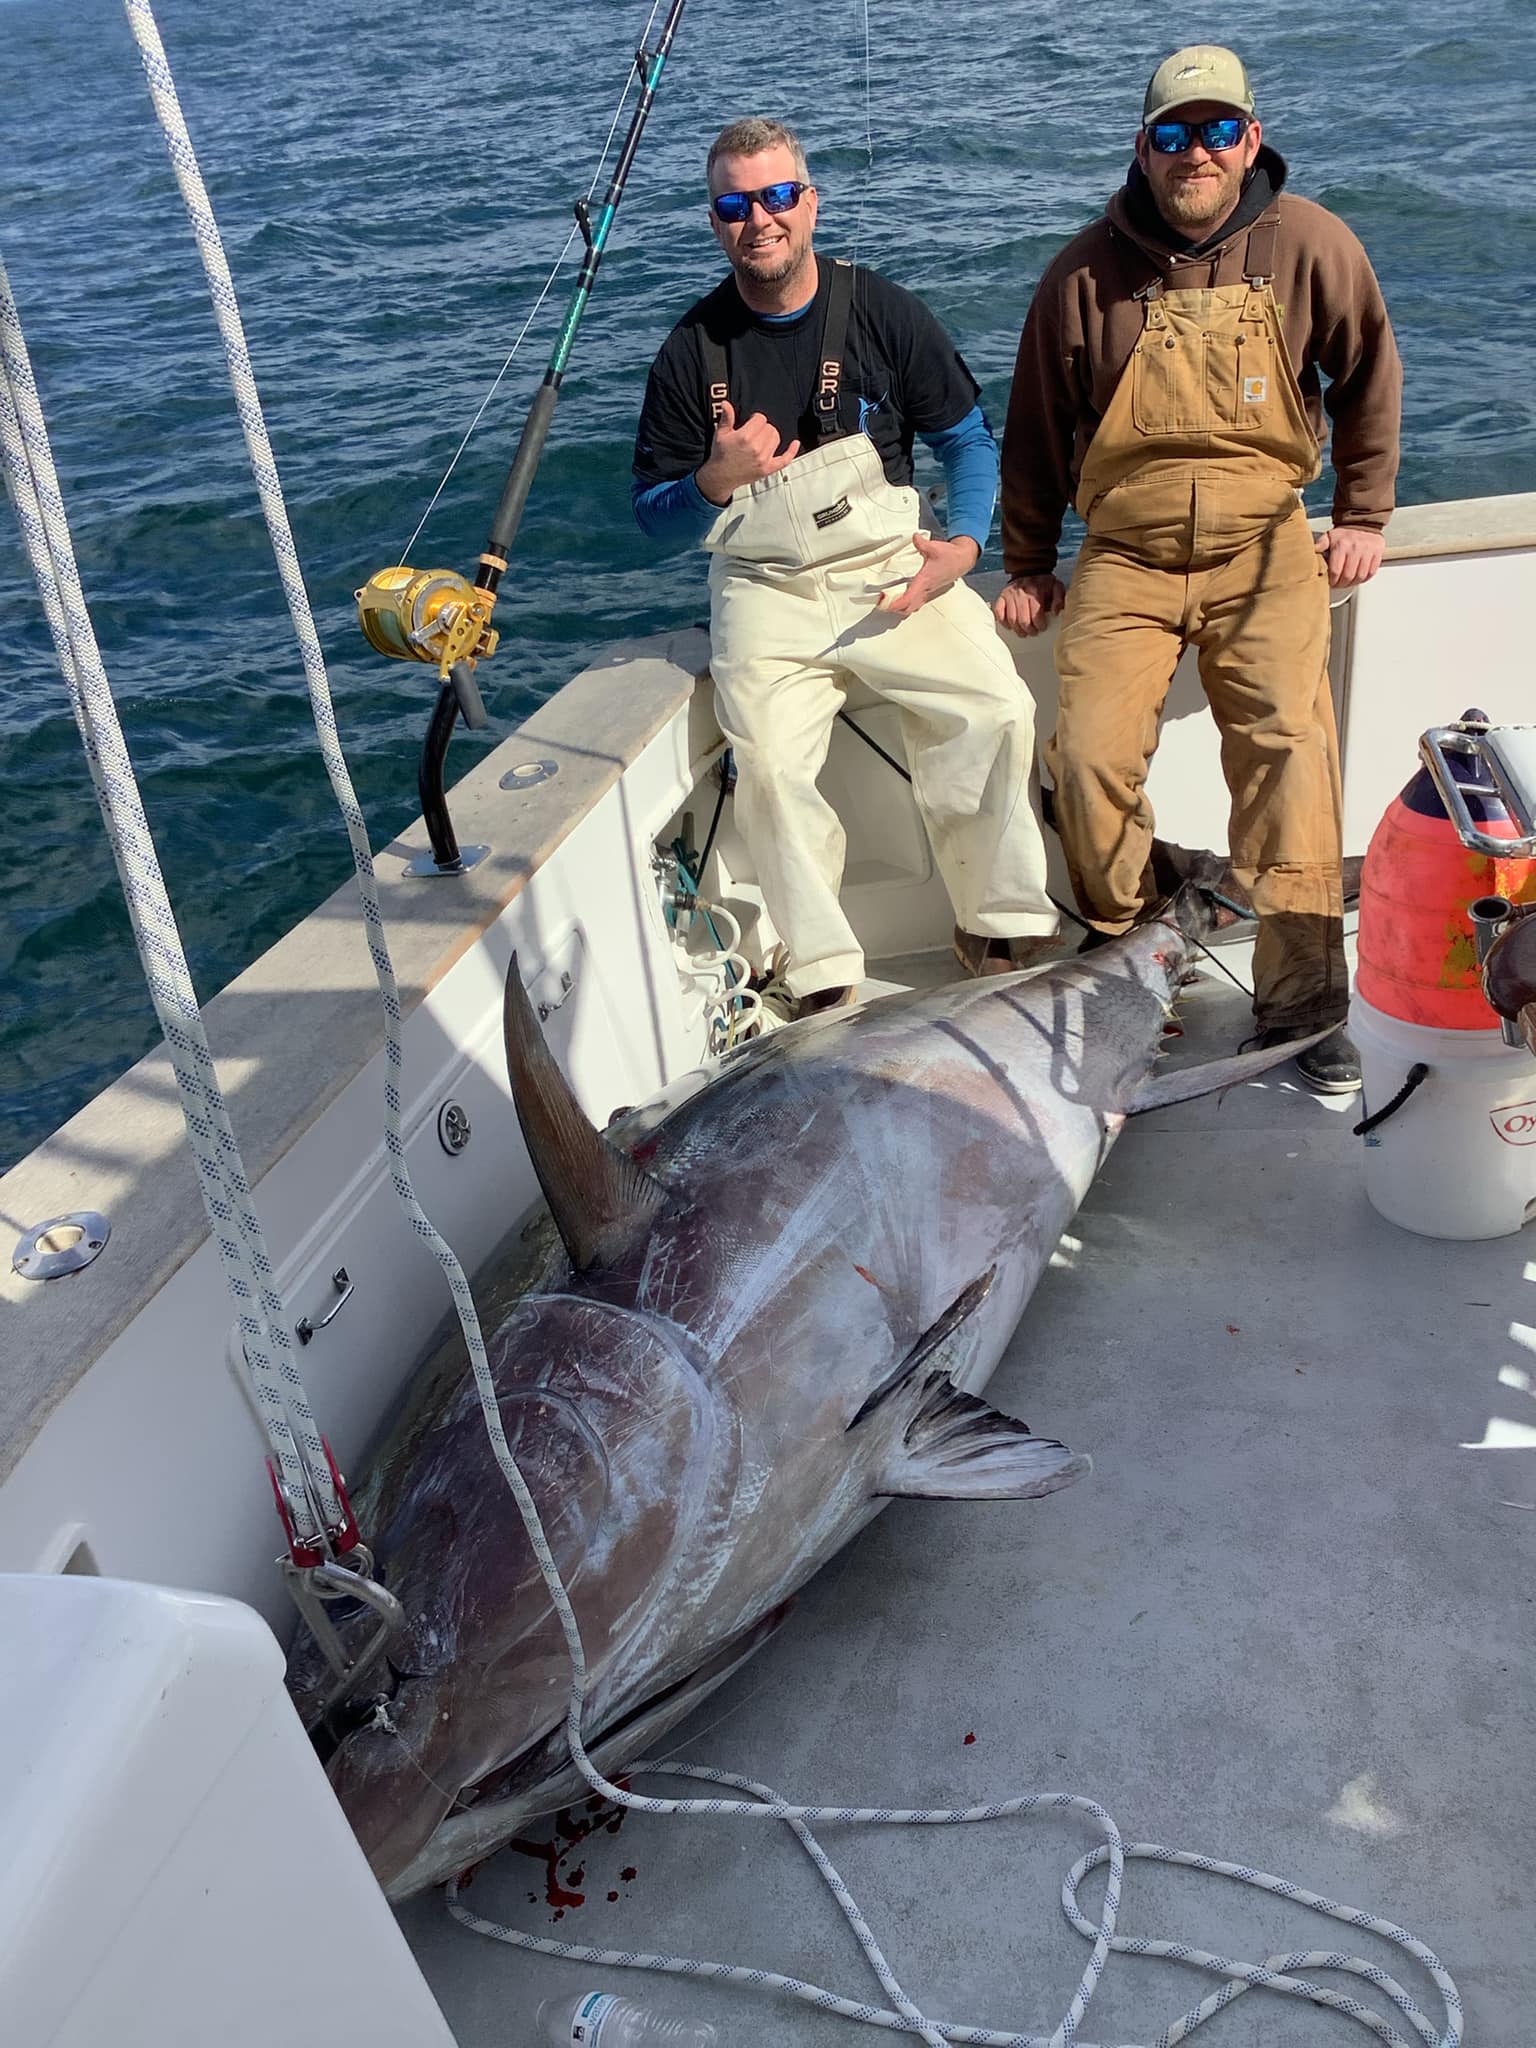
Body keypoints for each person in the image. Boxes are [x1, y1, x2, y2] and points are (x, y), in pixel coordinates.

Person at [994, 46, 1401, 1092]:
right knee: (1083, 759)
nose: (1197, 154)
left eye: (1218, 131)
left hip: (1265, 541)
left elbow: (1367, 374)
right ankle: (1132, 964)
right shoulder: (1083, 272)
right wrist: (1031, 560)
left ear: (1251, 140)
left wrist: (1362, 510)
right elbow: (1035, 432)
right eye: (1174, 135)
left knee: (1289, 752)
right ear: (1144, 148)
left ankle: (1302, 1008)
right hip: (1124, 552)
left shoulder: (1312, 242)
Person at [633, 117, 1058, 1016]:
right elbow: (651, 520)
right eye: (735, 204)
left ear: (811, 203)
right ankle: (824, 975)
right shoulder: (688, 351)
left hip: (893, 572)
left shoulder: (884, 311)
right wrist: (711, 481)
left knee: (997, 708)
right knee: (773, 770)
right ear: (715, 223)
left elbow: (966, 441)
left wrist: (966, 546)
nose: (761, 219)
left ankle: (999, 923)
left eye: (779, 196)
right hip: (764, 591)